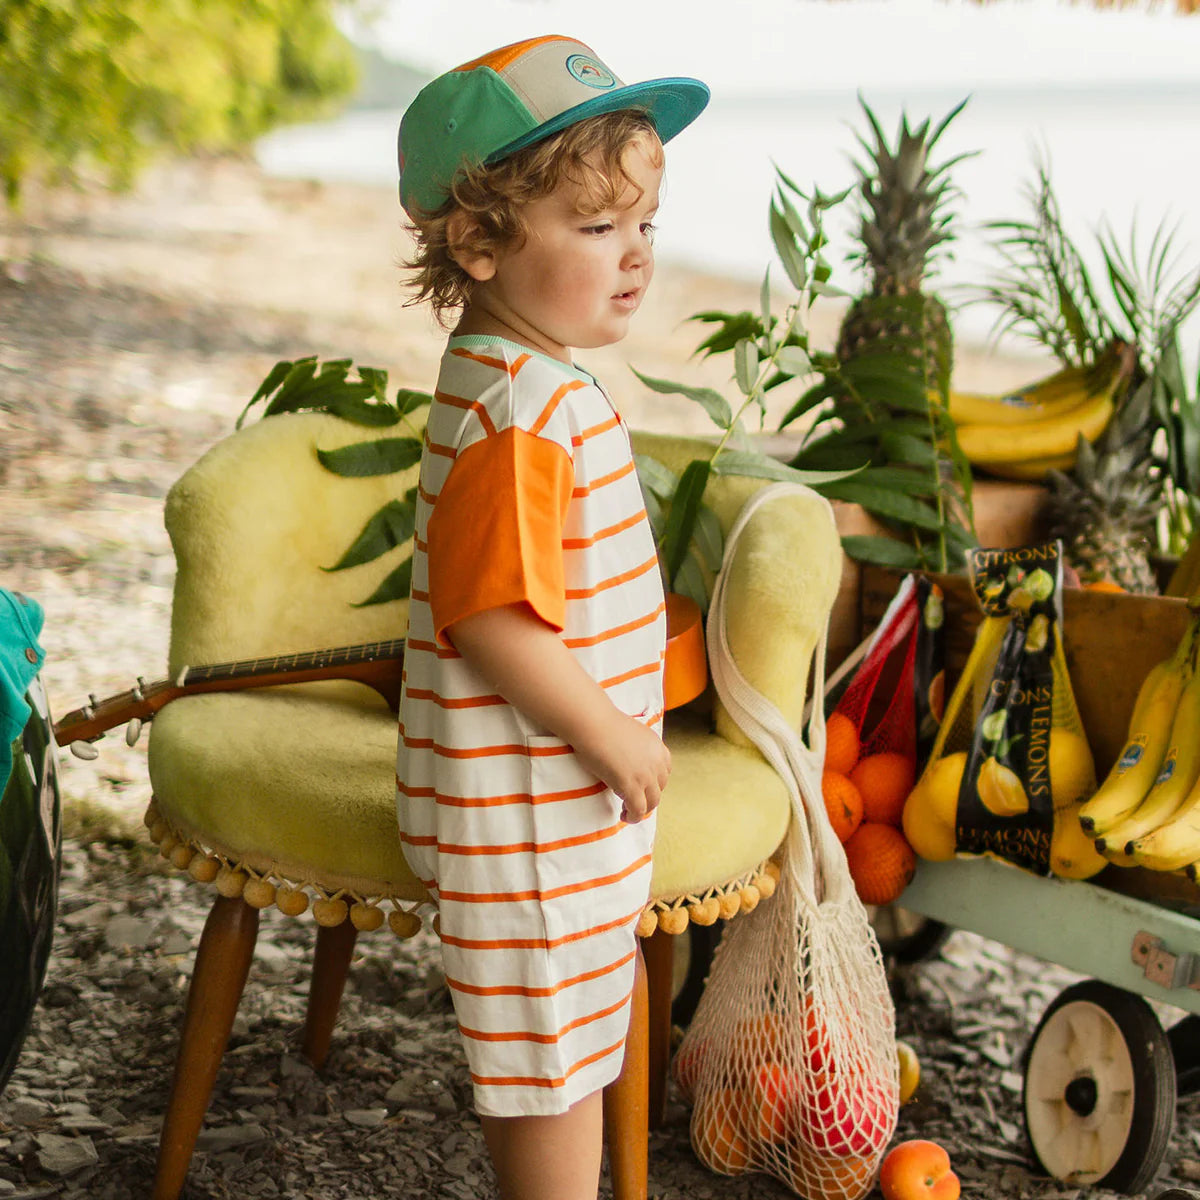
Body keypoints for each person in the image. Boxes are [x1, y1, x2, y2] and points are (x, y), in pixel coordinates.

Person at [393, 34, 708, 1200]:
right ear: (479, 243)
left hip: (541, 805)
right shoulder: (527, 408)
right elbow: (493, 620)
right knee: (550, 1058)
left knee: (568, 1032)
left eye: (646, 229)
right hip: (529, 814)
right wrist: (613, 733)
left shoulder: (515, 375)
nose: (635, 260)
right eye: (595, 228)